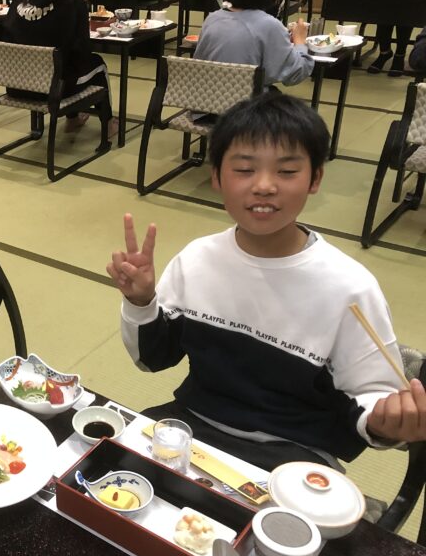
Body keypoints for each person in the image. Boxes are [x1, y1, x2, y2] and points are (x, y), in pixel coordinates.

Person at [107, 92, 426, 472]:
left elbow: (374, 400)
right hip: (194, 426)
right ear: (216, 177)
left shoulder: (350, 288)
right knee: (100, 475)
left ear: (315, 178)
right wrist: (141, 301)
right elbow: (153, 359)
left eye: (287, 172)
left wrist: (386, 422)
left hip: (296, 454)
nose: (264, 185)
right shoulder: (197, 259)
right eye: (244, 169)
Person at [2, 0, 110, 134]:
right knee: (97, 64)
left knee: (66, 64)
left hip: (15, 85)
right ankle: (109, 124)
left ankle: (74, 118)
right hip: (53, 89)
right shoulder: (73, 1)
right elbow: (82, 48)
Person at [195, 0, 313, 88]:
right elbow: (295, 74)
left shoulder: (213, 19)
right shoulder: (270, 25)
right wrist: (300, 40)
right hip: (249, 99)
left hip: (207, 97)